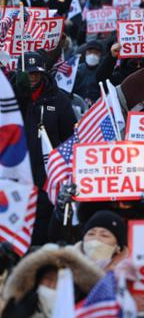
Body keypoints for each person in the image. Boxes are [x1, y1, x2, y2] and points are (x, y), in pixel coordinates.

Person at [13, 52, 76, 246]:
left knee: (42, 231)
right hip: (14, 174)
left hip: (47, 176)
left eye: (36, 74)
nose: (32, 78)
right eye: (28, 73)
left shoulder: (58, 100)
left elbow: (71, 138)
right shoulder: (7, 99)